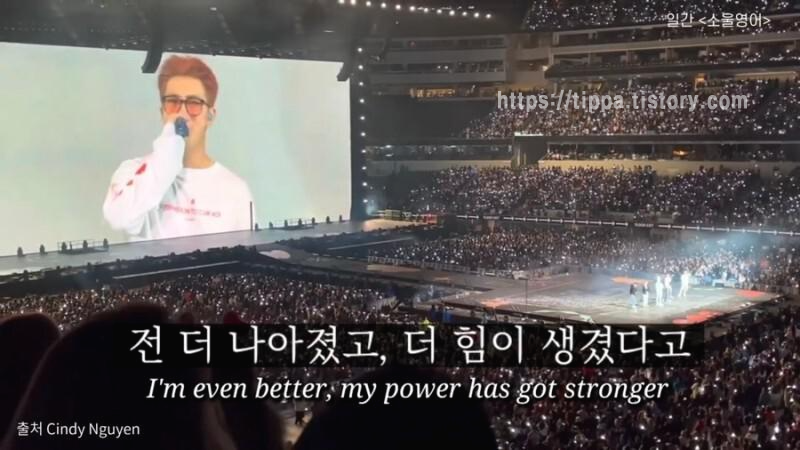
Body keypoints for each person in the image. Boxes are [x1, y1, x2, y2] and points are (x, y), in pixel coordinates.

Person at [103, 55, 254, 242]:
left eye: (194, 103)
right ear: (162, 112)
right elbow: (118, 216)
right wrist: (169, 146)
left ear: (210, 116)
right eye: (173, 102)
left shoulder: (235, 190)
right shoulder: (132, 171)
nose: (182, 112)